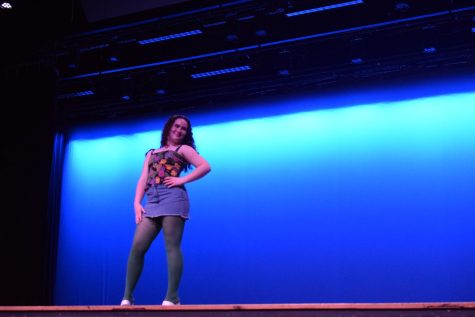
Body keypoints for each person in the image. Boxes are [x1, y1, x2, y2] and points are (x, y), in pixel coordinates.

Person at [120, 114, 211, 306]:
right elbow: (143, 179)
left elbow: (205, 166)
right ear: (169, 127)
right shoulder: (151, 153)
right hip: (152, 200)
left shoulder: (183, 149)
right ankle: (127, 296)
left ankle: (172, 297)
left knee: (171, 246)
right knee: (137, 247)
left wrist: (181, 180)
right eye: (176, 126)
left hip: (173, 197)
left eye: (183, 129)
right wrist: (137, 203)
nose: (179, 130)